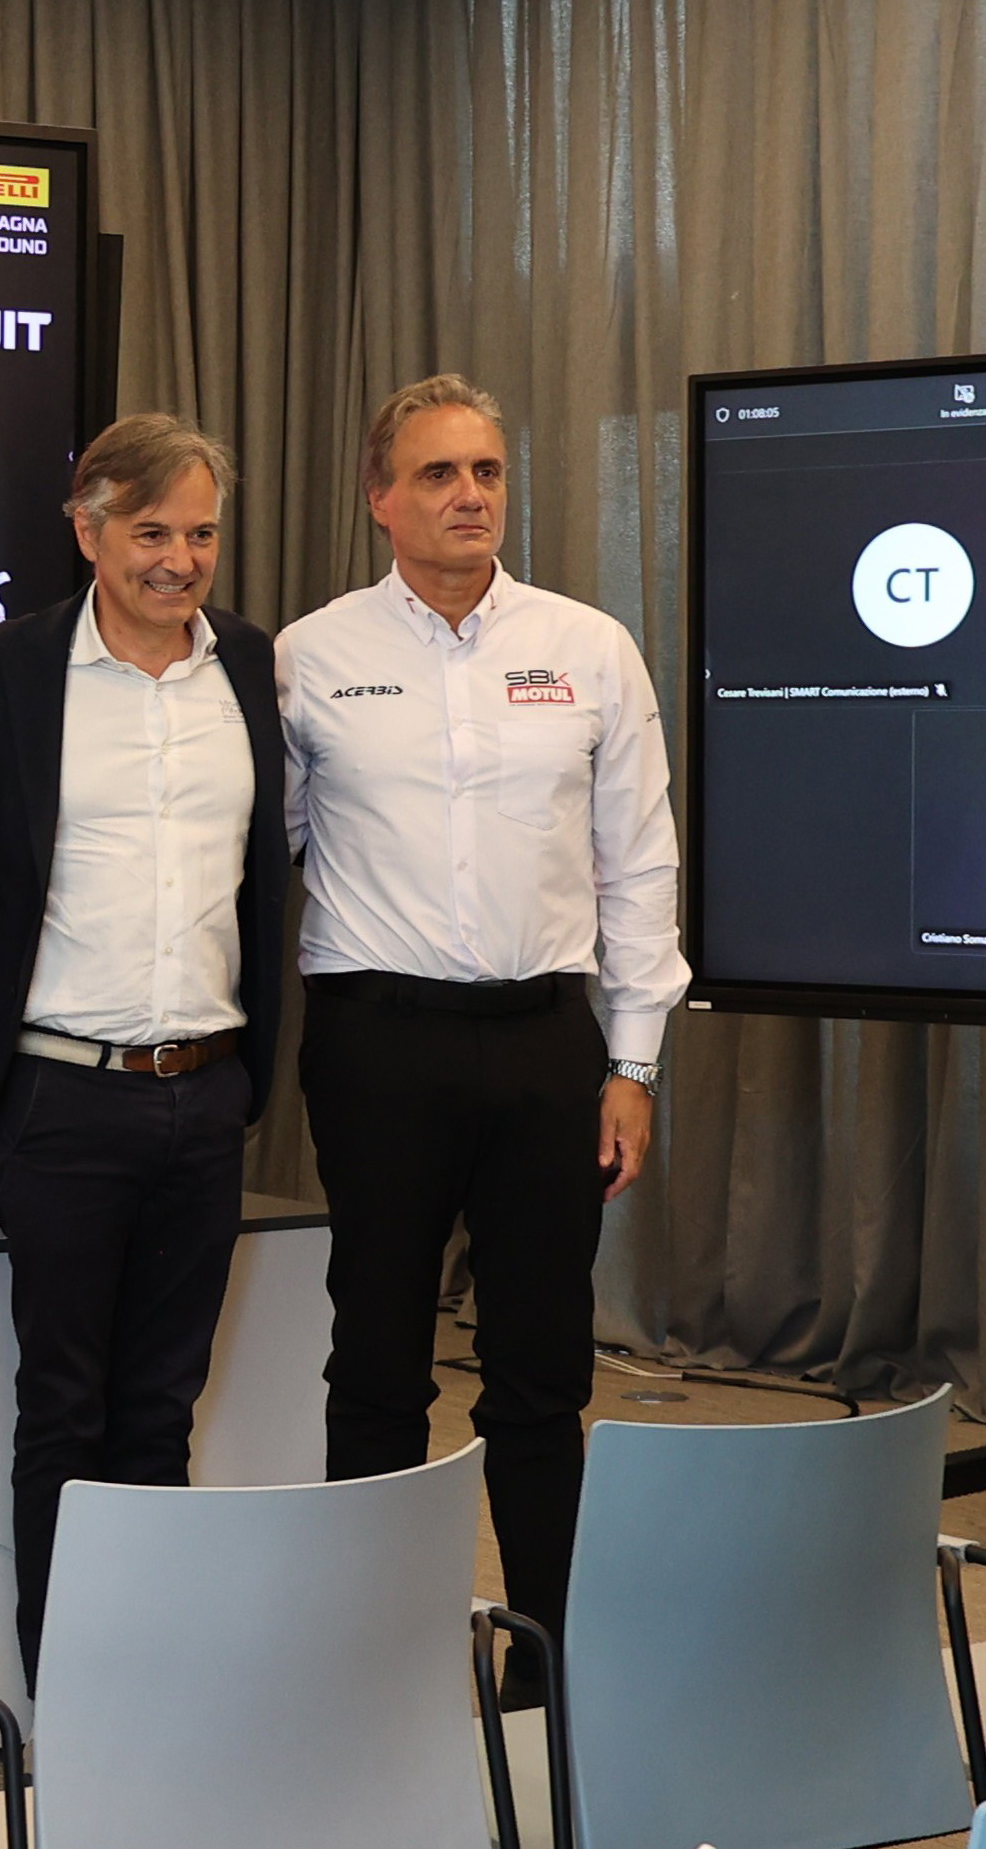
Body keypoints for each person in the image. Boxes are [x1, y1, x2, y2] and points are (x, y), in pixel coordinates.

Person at [277, 374, 688, 1700]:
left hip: (544, 1048)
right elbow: (268, 846)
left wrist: (633, 1061)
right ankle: (377, 1666)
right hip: (376, 1043)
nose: (470, 495)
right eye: (439, 473)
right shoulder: (308, 657)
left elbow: (640, 863)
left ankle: (546, 1663)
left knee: (541, 1370)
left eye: (488, 471)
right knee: (377, 1363)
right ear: (380, 497)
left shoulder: (589, 647)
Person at [0, 412, 289, 1684]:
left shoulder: (250, 665)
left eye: (201, 534)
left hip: (206, 1093)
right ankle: (64, 1697)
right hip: (59, 1095)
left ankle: (151, 1693)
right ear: (87, 532)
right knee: (63, 1411)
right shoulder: (10, 670)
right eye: (151, 533)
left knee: (162, 1412)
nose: (178, 560)